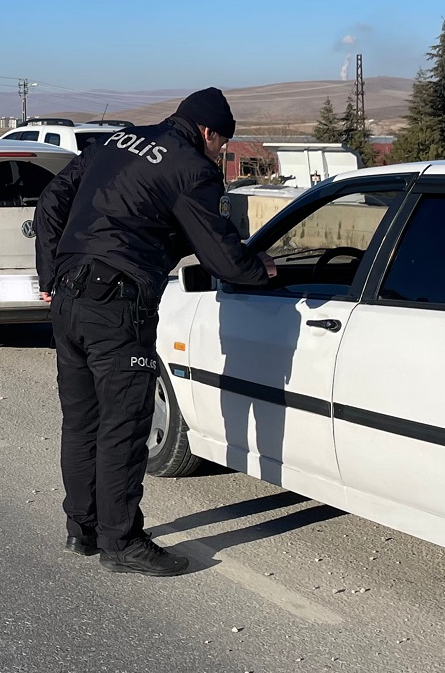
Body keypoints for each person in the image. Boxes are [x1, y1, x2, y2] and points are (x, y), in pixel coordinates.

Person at [33, 87, 275, 577]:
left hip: (70, 300)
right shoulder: (192, 168)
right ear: (208, 132)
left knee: (82, 422)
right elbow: (222, 257)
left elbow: (52, 199)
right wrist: (262, 268)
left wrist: (51, 274)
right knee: (124, 424)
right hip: (118, 307)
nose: (220, 153)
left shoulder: (119, 141)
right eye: (222, 144)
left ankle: (83, 529)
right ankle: (121, 541)